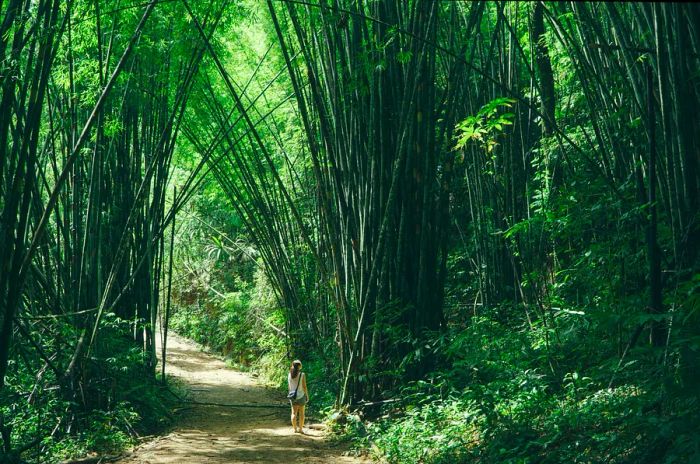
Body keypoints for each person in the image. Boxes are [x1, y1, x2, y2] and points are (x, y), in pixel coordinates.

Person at [288, 359, 309, 434]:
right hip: (301, 396)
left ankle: (295, 429)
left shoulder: (289, 374)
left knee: (293, 413)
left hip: (292, 396)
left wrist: (290, 394)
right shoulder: (302, 374)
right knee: (302, 413)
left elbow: (289, 386)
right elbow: (304, 386)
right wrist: (307, 396)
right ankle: (300, 429)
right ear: (299, 366)